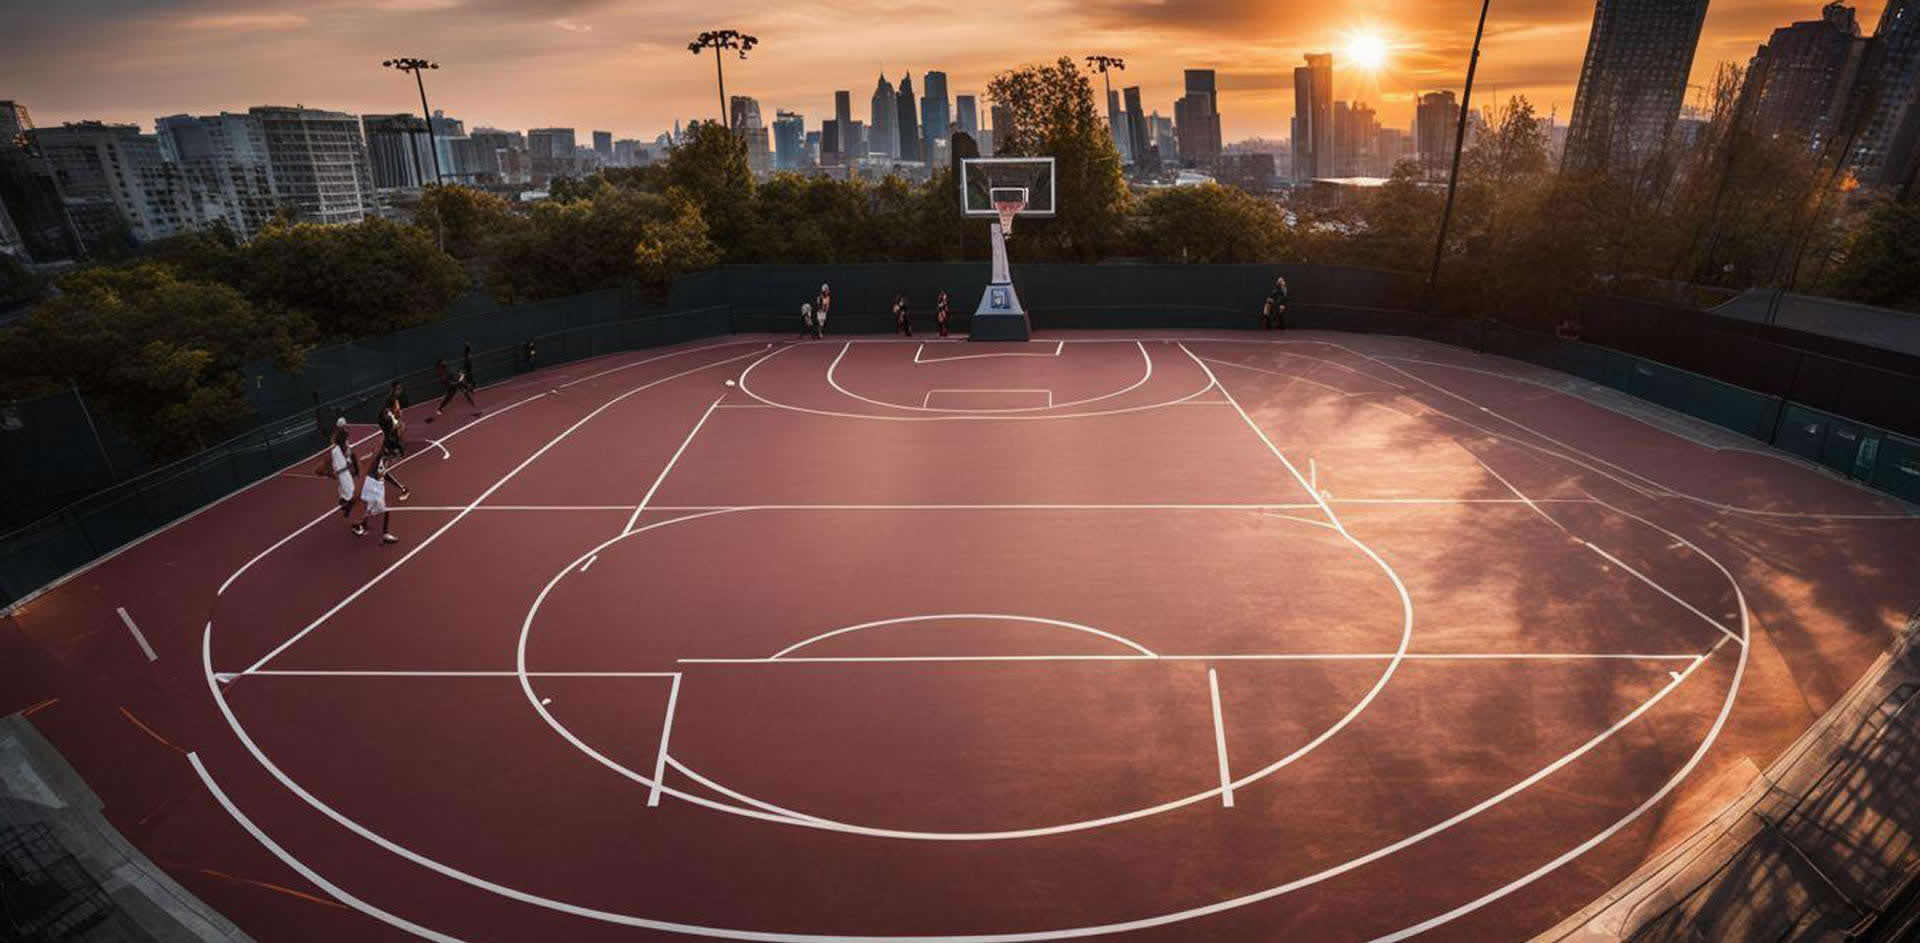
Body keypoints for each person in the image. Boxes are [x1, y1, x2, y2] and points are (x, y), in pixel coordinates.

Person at [314, 419, 360, 526]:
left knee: (348, 495)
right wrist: (329, 473)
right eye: (346, 439)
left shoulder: (338, 448)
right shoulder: (336, 450)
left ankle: (343, 502)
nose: (347, 441)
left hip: (344, 474)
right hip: (343, 475)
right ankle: (355, 525)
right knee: (353, 498)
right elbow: (335, 466)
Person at [352, 454, 399, 544]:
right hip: (373, 488)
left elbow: (383, 475)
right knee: (385, 510)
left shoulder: (380, 461)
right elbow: (380, 474)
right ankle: (385, 534)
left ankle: (358, 524)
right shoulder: (380, 463)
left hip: (372, 487)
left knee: (369, 508)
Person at [375, 396, 413, 502]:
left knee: (380, 470)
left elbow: (397, 429)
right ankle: (402, 488)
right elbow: (396, 428)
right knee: (379, 470)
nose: (398, 405)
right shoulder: (388, 416)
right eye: (397, 404)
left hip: (389, 447)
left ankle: (403, 489)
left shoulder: (387, 414)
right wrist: (398, 423)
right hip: (388, 446)